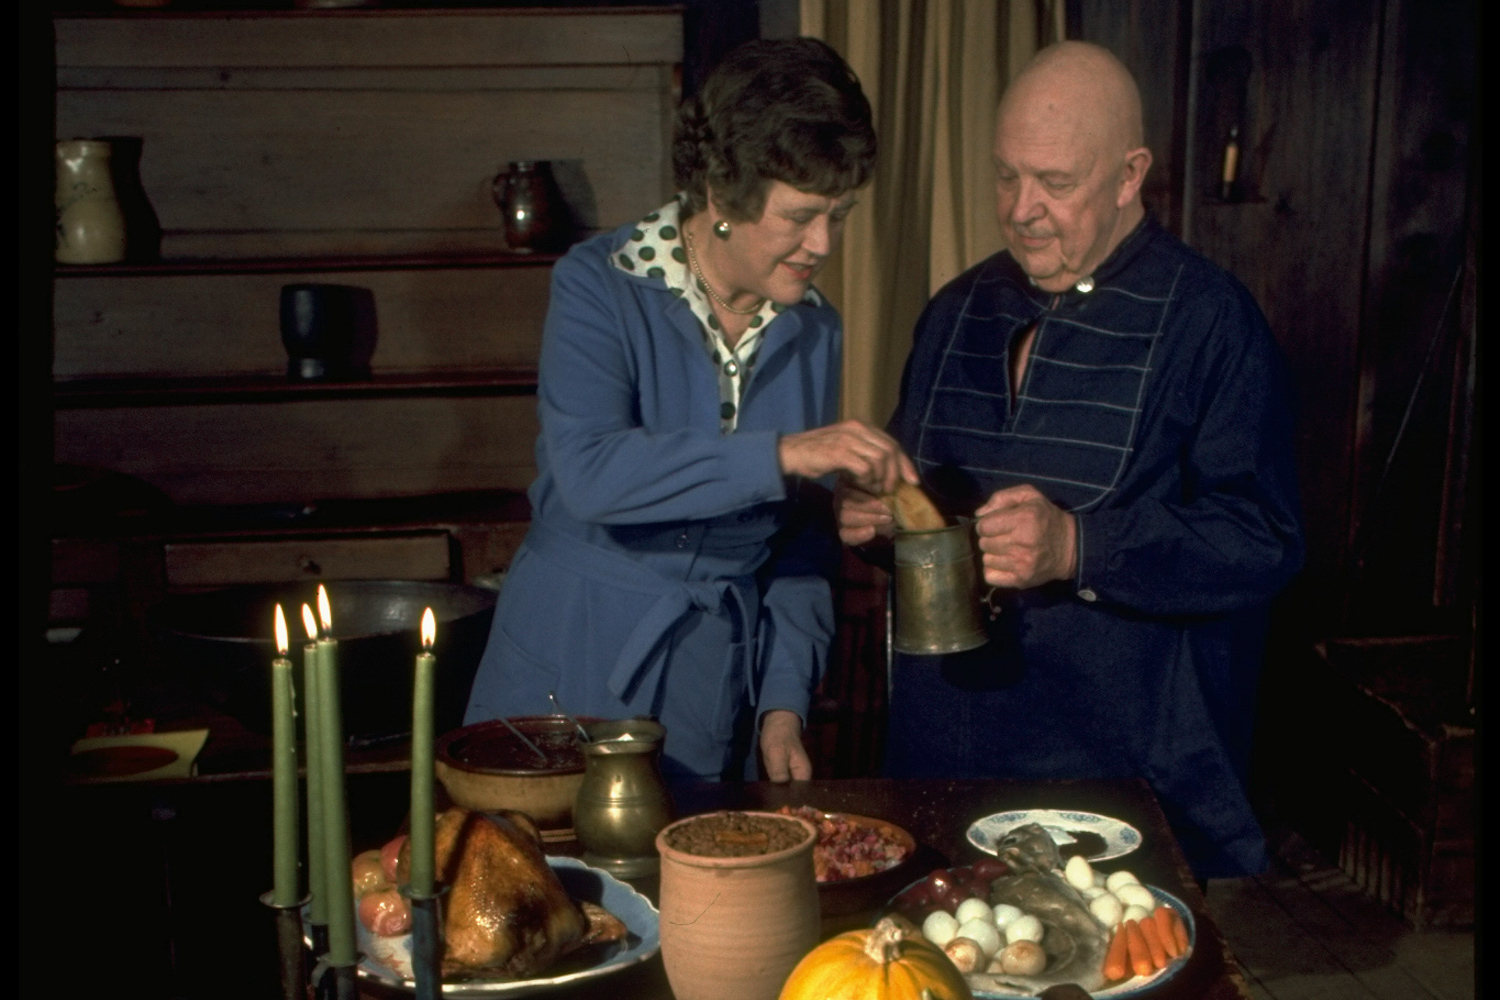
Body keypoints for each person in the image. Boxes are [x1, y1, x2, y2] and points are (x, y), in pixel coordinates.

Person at [837, 42, 1304, 878]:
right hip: (947, 758)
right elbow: (922, 508)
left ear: (1130, 176)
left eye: (1055, 183)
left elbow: (1262, 540)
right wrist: (875, 522)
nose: (1022, 209)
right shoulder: (956, 309)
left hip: (1121, 773)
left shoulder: (1212, 321)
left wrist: (1080, 547)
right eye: (1006, 177)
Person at [466, 38, 917, 783]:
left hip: (709, 691)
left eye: (840, 214)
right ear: (723, 196)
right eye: (802, 216)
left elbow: (799, 545)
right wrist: (782, 454)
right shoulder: (598, 285)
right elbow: (591, 473)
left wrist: (781, 704)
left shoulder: (814, 329)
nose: (824, 243)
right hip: (569, 659)